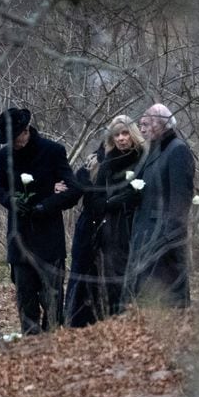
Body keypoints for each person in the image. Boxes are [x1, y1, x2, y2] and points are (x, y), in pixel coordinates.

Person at [0, 108, 80, 334]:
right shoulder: (4, 156)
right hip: (19, 237)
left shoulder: (52, 151)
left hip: (48, 238)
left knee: (52, 298)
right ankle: (30, 348)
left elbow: (73, 190)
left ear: (26, 131)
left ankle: (51, 345)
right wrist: (11, 201)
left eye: (16, 138)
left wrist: (45, 204)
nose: (13, 143)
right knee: (25, 297)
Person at [65, 116, 146, 327]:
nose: (121, 138)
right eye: (116, 134)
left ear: (133, 133)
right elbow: (95, 198)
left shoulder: (144, 157)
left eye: (125, 133)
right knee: (107, 276)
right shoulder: (105, 160)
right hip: (108, 227)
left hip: (136, 224)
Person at [125, 104, 194, 308]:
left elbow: (181, 200)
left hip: (164, 242)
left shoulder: (177, 150)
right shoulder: (153, 152)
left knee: (170, 303)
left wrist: (166, 239)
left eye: (147, 124)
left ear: (161, 124)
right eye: (141, 124)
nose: (143, 129)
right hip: (147, 237)